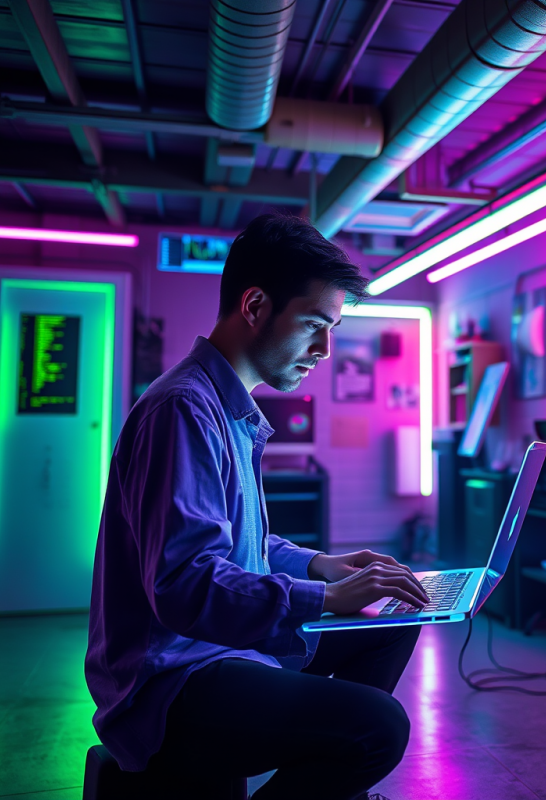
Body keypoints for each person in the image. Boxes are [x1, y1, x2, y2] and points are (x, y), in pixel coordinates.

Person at [85, 213, 431, 800]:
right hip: (171, 681)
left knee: (391, 624)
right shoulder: (183, 410)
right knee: (379, 728)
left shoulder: (226, 407)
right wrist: (322, 599)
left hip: (215, 652)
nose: (324, 349)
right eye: (315, 325)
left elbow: (235, 541)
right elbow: (185, 582)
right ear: (254, 306)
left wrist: (323, 566)